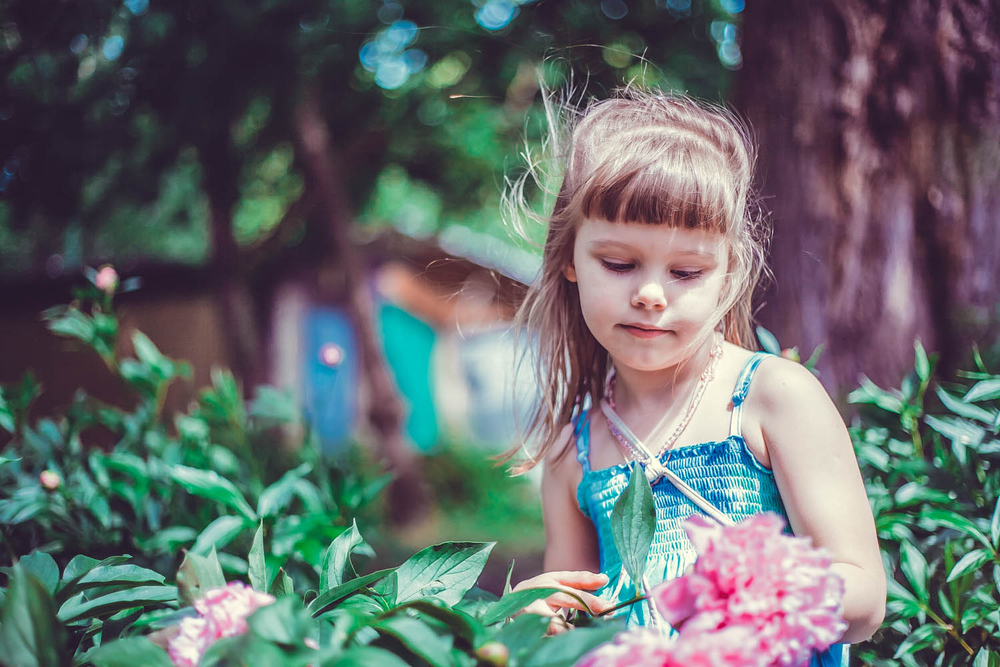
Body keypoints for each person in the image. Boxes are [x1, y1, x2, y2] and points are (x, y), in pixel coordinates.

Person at [503, 89, 885, 665]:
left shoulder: (770, 399)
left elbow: (864, 597)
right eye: (618, 263)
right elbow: (574, 617)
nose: (650, 294)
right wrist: (533, 619)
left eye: (686, 270)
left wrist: (756, 592)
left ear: (729, 271)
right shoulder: (572, 450)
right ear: (569, 256)